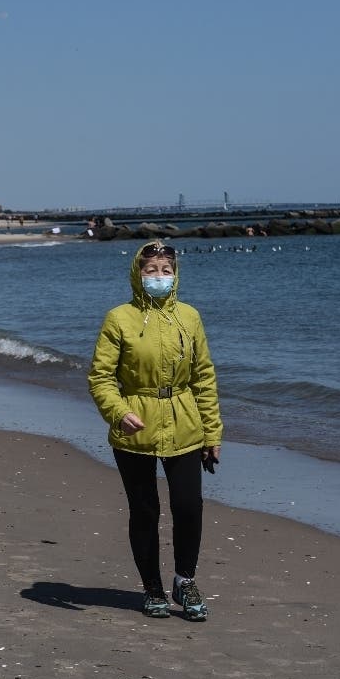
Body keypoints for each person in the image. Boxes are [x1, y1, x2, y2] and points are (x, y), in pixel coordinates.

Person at [88, 240, 223, 621]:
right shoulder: (119, 319)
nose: (159, 277)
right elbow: (100, 378)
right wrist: (118, 412)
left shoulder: (190, 317)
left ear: (175, 276)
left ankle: (185, 580)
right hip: (135, 428)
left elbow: (204, 378)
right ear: (138, 274)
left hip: (184, 421)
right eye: (152, 271)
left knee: (188, 507)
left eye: (166, 270)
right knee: (145, 510)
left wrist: (212, 434)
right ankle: (152, 589)